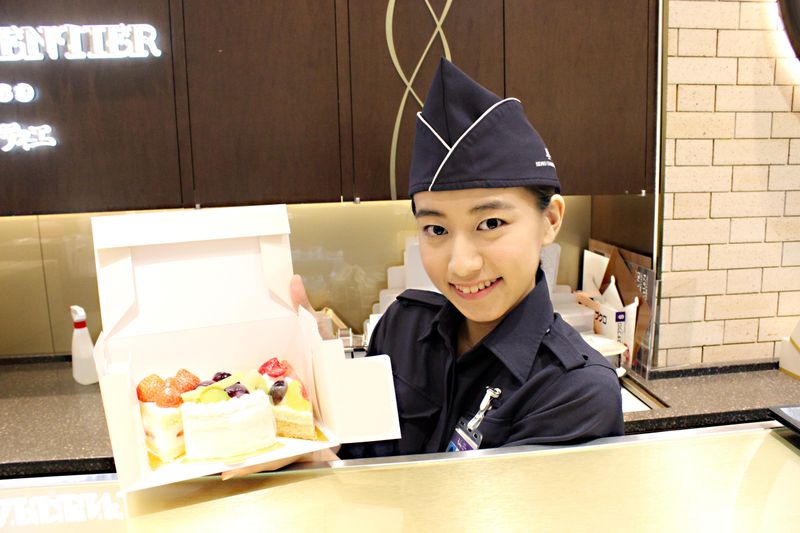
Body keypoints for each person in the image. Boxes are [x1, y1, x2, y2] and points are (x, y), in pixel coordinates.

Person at [292, 58, 623, 458]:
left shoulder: (576, 391)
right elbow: (359, 455)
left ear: (550, 220)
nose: (461, 265)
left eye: (491, 223)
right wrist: (320, 373)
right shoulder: (401, 327)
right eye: (436, 229)